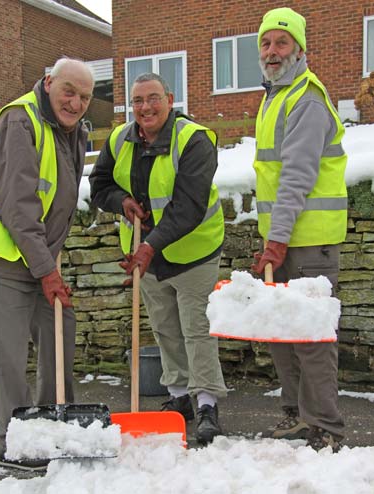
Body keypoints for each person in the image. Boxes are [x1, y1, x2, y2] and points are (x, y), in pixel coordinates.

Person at [0, 57, 94, 465]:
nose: (75, 102)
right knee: (9, 356)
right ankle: (15, 439)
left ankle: (53, 423)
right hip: (6, 259)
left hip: (40, 261)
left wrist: (47, 265)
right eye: (68, 91)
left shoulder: (71, 131)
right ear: (49, 82)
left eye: (85, 97)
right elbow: (18, 208)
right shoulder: (18, 122)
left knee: (60, 333)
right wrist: (47, 270)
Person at [89, 73, 227, 445]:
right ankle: (180, 396)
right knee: (165, 327)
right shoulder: (120, 138)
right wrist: (121, 202)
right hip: (144, 257)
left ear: (169, 98)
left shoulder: (193, 140)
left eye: (152, 98)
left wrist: (151, 246)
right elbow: (99, 185)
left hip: (193, 251)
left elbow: (189, 205)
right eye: (137, 101)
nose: (145, 107)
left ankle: (208, 402)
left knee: (197, 328)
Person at [251, 7, 347, 452]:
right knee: (283, 335)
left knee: (310, 336)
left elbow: (297, 176)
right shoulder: (275, 96)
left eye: (282, 43)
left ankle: (324, 426)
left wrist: (276, 240)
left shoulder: (305, 98)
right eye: (266, 43)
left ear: (300, 49)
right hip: (286, 240)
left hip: (308, 243)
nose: (272, 51)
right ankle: (295, 415)